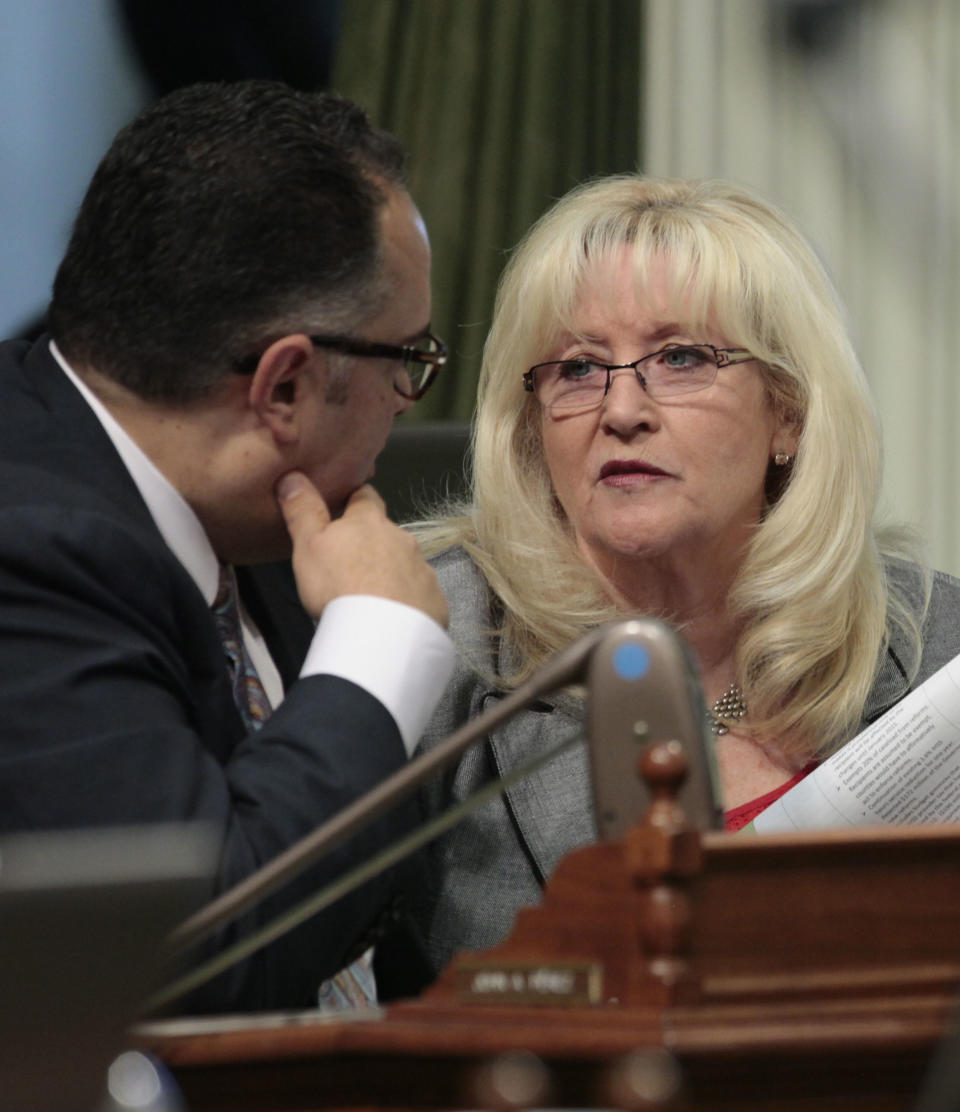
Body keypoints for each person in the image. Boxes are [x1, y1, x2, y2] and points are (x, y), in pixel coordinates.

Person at [409, 174, 960, 975]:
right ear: (531, 429)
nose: (621, 409)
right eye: (577, 369)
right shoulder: (440, 637)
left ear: (789, 413)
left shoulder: (934, 646)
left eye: (680, 357)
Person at [0, 80, 456, 1013]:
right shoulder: (28, 549)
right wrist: (374, 648)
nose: (410, 399)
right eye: (408, 359)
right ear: (283, 386)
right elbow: (194, 956)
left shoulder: (260, 510)